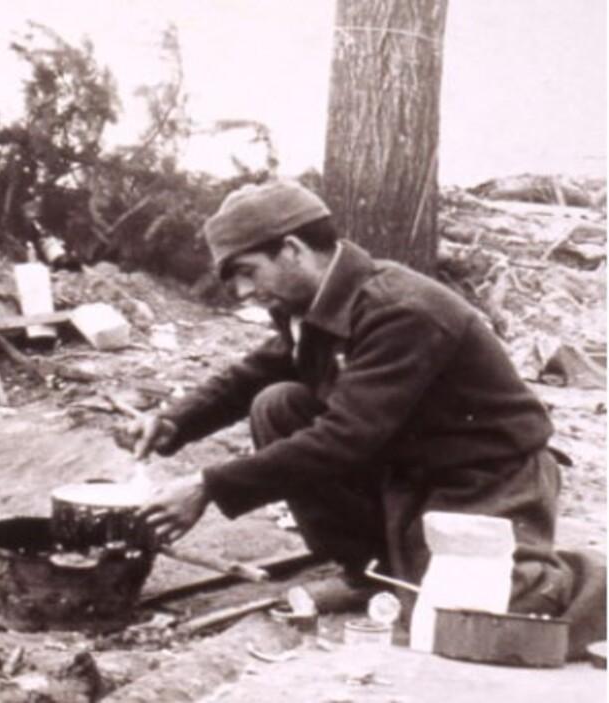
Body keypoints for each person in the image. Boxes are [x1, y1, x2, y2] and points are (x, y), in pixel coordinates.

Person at [116, 179, 604, 651]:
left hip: (486, 476)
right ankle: (371, 572)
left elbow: (343, 438)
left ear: (291, 249)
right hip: (410, 471)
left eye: (247, 271)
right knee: (278, 404)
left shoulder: (400, 310)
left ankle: (592, 588)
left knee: (480, 617)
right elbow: (254, 374)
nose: (243, 292)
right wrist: (174, 422)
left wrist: (209, 486)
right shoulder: (314, 302)